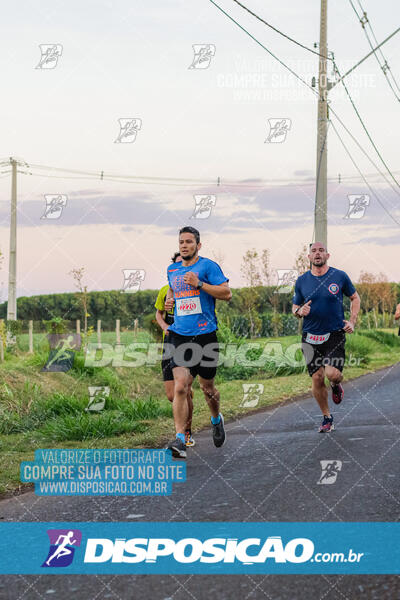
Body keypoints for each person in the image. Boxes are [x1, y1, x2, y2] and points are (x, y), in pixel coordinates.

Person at [164, 226, 231, 458]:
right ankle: (181, 439)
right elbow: (173, 292)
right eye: (181, 242)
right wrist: (169, 302)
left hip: (205, 336)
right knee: (181, 386)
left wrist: (200, 284)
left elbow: (226, 293)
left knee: (207, 388)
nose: (184, 245)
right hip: (180, 335)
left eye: (189, 242)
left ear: (198, 245)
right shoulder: (172, 269)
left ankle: (215, 419)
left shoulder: (208, 267)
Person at [292, 242, 360, 433]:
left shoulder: (339, 276)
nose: (317, 254)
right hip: (310, 336)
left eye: (321, 251)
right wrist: (299, 311)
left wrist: (352, 321)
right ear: (309, 257)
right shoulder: (302, 281)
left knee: (332, 374)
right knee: (317, 378)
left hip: (335, 333)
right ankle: (327, 417)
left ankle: (336, 384)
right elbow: (295, 307)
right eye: (314, 251)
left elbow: (355, 298)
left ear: (328, 255)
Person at [154, 251, 195, 447]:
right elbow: (159, 314)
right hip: (169, 343)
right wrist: (165, 327)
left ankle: (184, 434)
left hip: (190, 342)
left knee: (183, 388)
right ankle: (185, 399)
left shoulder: (193, 289)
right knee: (173, 394)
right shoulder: (164, 290)